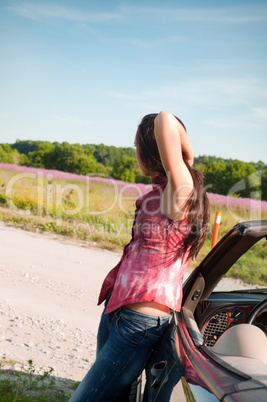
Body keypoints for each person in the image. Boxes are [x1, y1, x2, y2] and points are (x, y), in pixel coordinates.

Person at [69, 111, 210, 401]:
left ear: (152, 149)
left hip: (140, 321)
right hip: (119, 308)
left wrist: (189, 154)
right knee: (118, 396)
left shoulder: (178, 194)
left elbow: (165, 120)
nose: (134, 152)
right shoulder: (166, 191)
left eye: (136, 146)